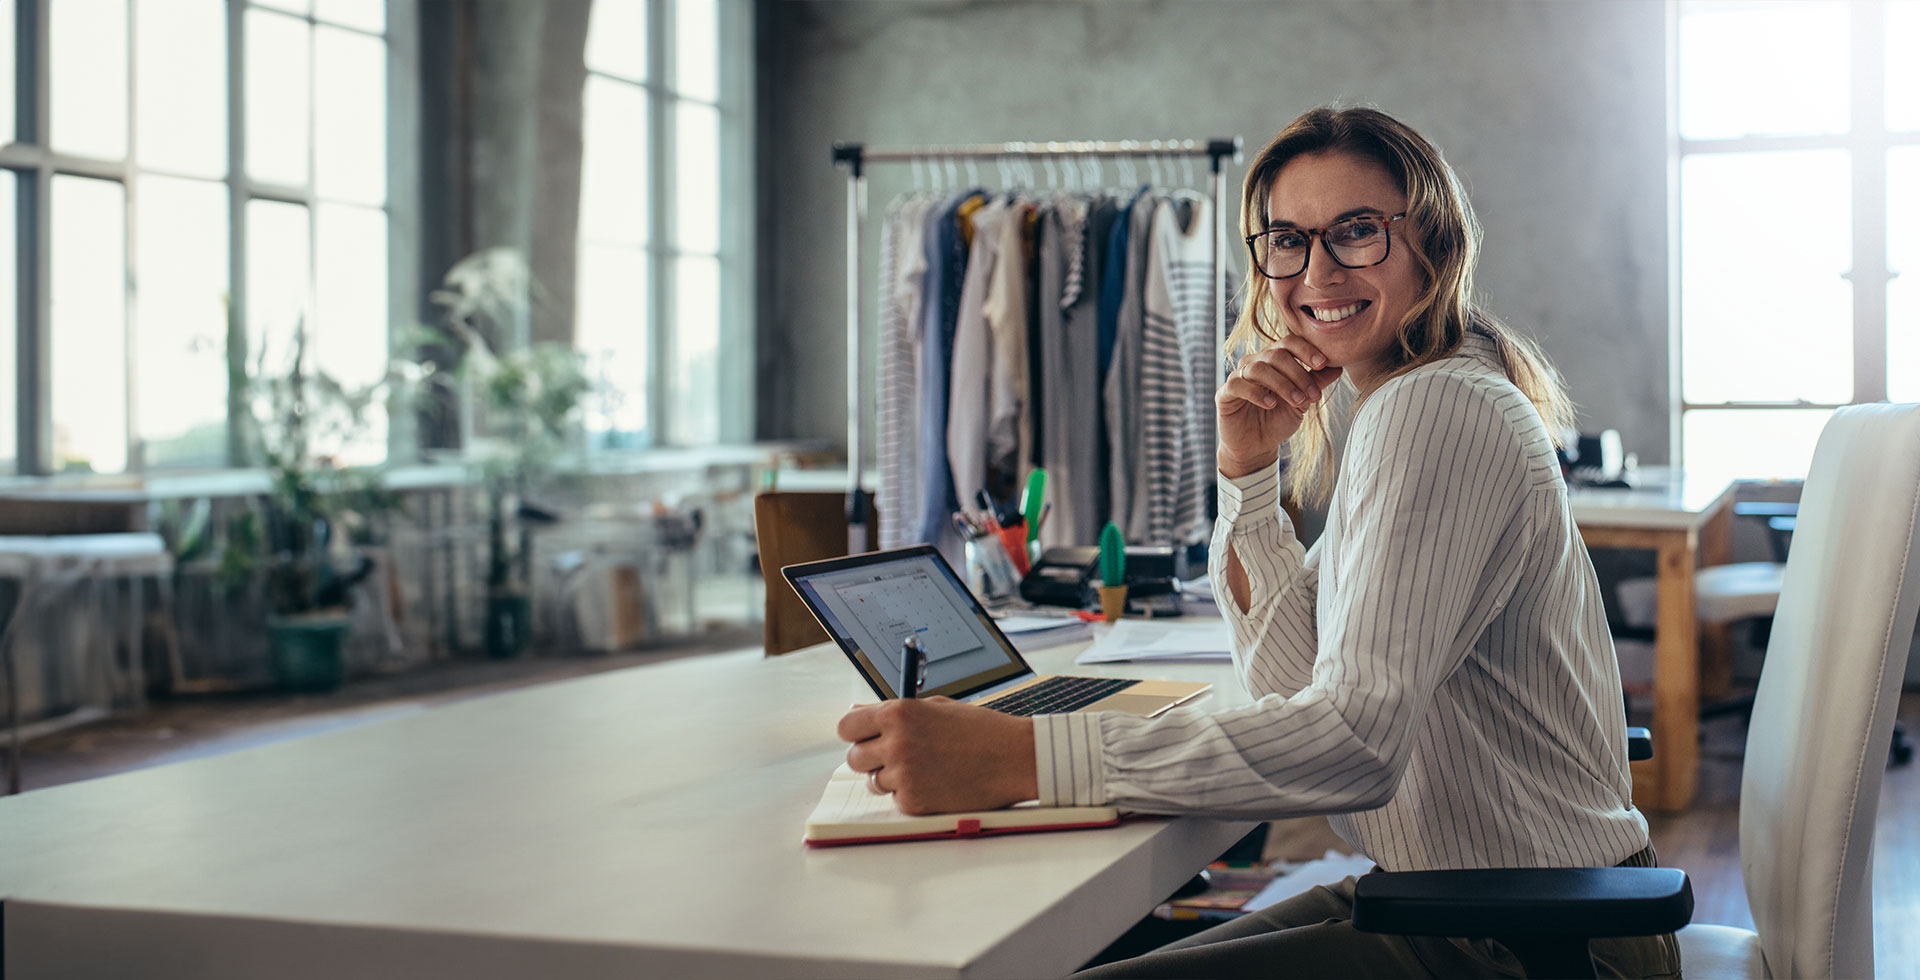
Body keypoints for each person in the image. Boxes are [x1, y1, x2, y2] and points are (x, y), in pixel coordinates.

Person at [836, 105, 1680, 979]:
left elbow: (1352, 745)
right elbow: (1290, 680)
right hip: (1467, 907)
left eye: (1357, 231)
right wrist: (1247, 473)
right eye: (1287, 238)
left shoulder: (1438, 407)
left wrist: (1023, 756)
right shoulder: (1405, 401)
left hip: (1531, 941)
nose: (1316, 269)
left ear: (1433, 241)